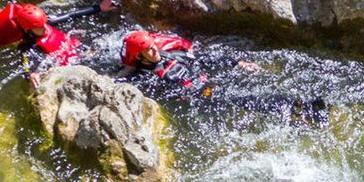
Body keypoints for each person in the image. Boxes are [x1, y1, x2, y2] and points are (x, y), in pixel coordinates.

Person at [116, 30, 329, 125]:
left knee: (255, 93)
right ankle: (301, 110)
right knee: (250, 100)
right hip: (203, 99)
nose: (155, 51)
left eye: (154, 46)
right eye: (150, 50)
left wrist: (237, 63)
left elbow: (204, 58)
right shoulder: (144, 77)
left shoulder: (169, 54)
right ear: (139, 57)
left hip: (212, 85)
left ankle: (300, 107)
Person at [0, 0, 119, 88]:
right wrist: (32, 74)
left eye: (44, 22)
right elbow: (26, 62)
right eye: (39, 26)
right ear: (27, 29)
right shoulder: (28, 46)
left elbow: (72, 15)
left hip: (78, 53)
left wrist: (99, 8)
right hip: (72, 66)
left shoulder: (45, 23)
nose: (45, 26)